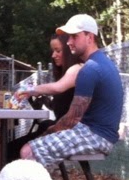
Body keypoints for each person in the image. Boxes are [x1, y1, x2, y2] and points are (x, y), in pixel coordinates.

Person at [20, 14, 123, 168]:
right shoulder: (101, 63)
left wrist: (48, 133)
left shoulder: (90, 69)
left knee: (27, 151)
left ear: (90, 37)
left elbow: (72, 119)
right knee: (34, 149)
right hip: (96, 133)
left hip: (96, 136)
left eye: (74, 36)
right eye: (69, 37)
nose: (69, 42)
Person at [6, 31, 84, 162]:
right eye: (53, 51)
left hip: (69, 132)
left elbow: (57, 87)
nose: (54, 55)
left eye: (58, 51)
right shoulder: (65, 73)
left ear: (69, 49)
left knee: (13, 150)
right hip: (59, 127)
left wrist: (29, 90)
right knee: (10, 148)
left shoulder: (77, 69)